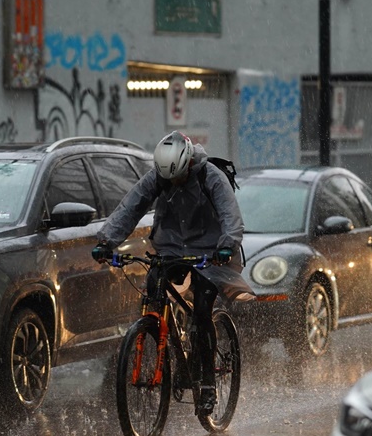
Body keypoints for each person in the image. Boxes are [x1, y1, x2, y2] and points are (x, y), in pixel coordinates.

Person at [92, 130, 254, 416]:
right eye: (167, 179)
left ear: (189, 163)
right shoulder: (158, 177)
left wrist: (227, 246)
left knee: (202, 308)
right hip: (169, 250)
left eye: (177, 177)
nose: (172, 183)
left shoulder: (210, 176)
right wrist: (107, 241)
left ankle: (206, 384)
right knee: (153, 290)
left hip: (210, 253)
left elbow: (231, 215)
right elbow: (130, 207)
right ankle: (163, 343)